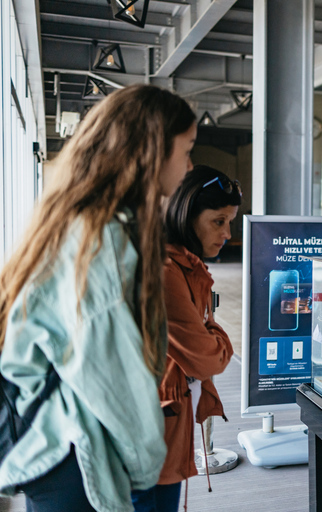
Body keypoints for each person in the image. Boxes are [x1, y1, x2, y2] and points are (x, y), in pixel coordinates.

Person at [0, 85, 197, 512]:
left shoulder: (78, 220)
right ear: (152, 151)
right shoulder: (102, 240)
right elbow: (112, 375)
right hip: (81, 458)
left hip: (52, 446)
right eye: (187, 149)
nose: (189, 165)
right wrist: (147, 467)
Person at [131, 166, 240, 511]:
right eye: (218, 221)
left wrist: (207, 332)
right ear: (186, 214)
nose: (227, 233)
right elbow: (207, 357)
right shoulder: (165, 270)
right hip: (149, 431)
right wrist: (216, 333)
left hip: (169, 424)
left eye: (231, 222)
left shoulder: (187, 266)